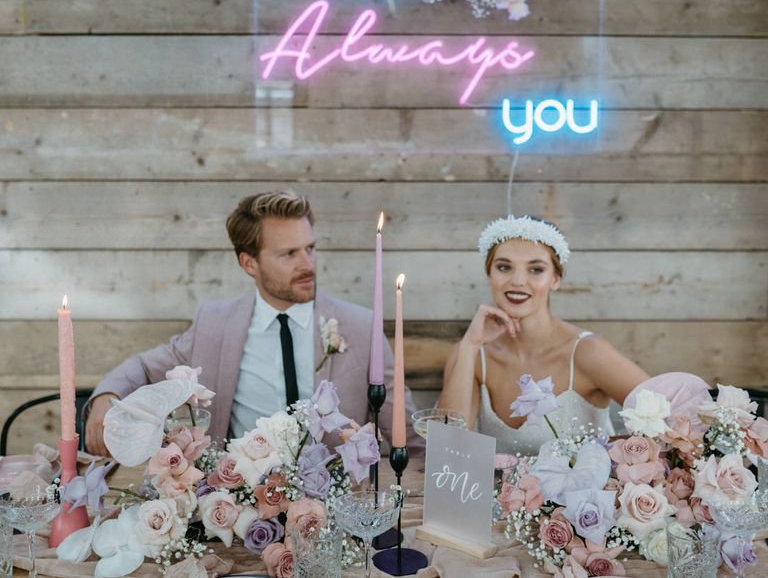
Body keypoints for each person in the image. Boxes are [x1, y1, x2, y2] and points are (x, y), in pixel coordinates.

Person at [85, 190, 424, 456]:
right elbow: (143, 368)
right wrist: (106, 397)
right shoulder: (214, 324)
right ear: (249, 263)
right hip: (238, 509)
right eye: (289, 254)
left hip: (334, 508)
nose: (307, 264)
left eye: (310, 248)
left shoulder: (361, 327)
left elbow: (405, 434)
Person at [438, 215, 648, 455]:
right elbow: (447, 449)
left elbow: (663, 418)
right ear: (489, 275)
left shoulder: (587, 351)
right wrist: (469, 345)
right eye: (504, 267)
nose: (517, 281)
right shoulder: (471, 354)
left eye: (536, 269)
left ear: (555, 279)